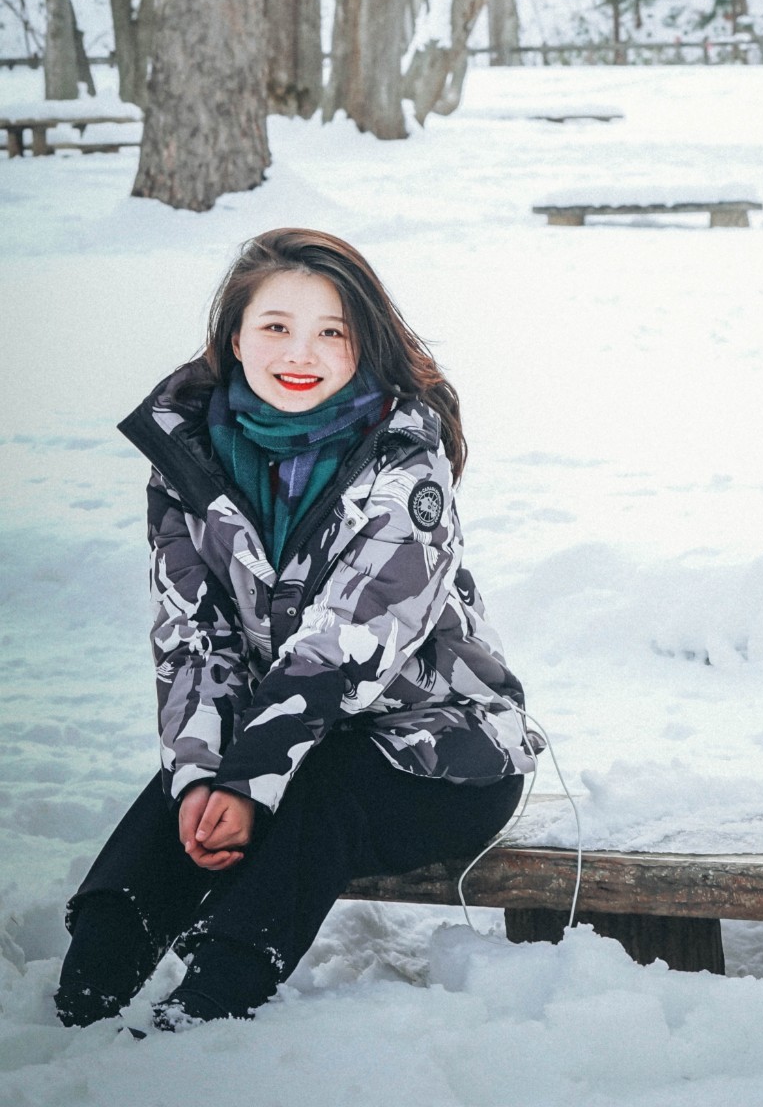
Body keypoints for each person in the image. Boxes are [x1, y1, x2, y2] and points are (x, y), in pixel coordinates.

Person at [56, 227, 540, 1030]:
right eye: (276, 326)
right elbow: (192, 637)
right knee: (184, 804)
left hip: (442, 754)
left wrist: (248, 782)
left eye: (331, 332)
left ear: (363, 346)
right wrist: (202, 776)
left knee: (313, 789)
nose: (300, 352)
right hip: (279, 740)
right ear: (234, 337)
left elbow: (343, 649)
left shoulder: (403, 466)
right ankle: (82, 996)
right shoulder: (189, 458)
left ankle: (208, 1006)